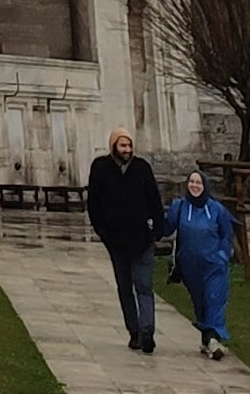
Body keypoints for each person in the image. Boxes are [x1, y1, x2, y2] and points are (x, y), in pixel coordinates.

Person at [84, 124, 168, 357]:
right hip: (116, 241)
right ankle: (134, 332)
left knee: (144, 285)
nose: (127, 149)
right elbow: (94, 204)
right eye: (123, 145)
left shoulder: (141, 168)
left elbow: (154, 199)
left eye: (129, 144)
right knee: (124, 288)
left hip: (142, 239)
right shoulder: (101, 168)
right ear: (114, 146)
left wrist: (157, 230)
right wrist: (103, 232)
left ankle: (147, 332)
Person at [163, 166, 238, 362]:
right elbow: (166, 227)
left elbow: (227, 234)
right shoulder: (179, 207)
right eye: (192, 182)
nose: (195, 186)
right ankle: (208, 341)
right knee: (201, 303)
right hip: (190, 267)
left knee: (214, 299)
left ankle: (213, 340)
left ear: (205, 186)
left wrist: (222, 255)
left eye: (198, 183)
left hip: (214, 265)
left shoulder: (216, 209)